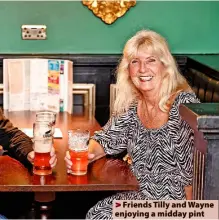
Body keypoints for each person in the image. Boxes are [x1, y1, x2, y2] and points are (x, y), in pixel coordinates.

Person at [65, 29, 200, 219]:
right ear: (128, 70)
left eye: (151, 60)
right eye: (135, 62)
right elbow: (106, 139)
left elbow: (195, 173)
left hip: (179, 206)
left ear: (165, 65)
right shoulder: (134, 105)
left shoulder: (183, 104)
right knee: (97, 213)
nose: (142, 69)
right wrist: (86, 154)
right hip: (140, 195)